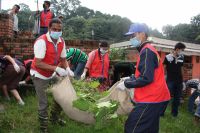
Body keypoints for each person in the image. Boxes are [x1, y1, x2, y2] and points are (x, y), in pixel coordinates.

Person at [117, 23, 170, 133]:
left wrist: (127, 84)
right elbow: (146, 73)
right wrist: (131, 78)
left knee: (132, 128)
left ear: (142, 34)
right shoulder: (148, 49)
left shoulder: (146, 51)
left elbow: (146, 78)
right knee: (150, 129)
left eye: (133, 35)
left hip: (150, 99)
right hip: (157, 98)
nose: (131, 39)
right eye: (130, 37)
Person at [30, 18, 74, 133]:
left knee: (62, 96)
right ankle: (43, 128)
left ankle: (54, 118)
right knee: (44, 102)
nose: (57, 31)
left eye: (59, 29)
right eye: (54, 29)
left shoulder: (61, 41)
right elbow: (38, 63)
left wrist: (68, 68)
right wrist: (56, 68)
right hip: (39, 74)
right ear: (49, 28)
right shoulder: (41, 41)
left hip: (51, 73)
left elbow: (63, 58)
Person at [163, 42, 186, 117]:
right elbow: (164, 68)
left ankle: (174, 114)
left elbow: (182, 68)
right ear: (177, 49)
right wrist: (163, 77)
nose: (182, 51)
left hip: (179, 81)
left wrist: (183, 80)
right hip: (170, 80)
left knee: (177, 98)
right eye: (182, 50)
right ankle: (161, 112)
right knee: (166, 96)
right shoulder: (168, 57)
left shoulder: (181, 57)